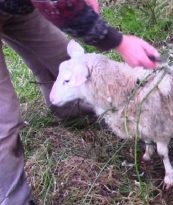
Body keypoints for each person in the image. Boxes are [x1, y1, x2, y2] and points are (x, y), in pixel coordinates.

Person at [0, 0, 160, 204]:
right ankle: (16, 199)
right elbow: (58, 4)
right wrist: (118, 42)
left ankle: (72, 112)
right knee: (3, 120)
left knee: (63, 61)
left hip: (17, 7)